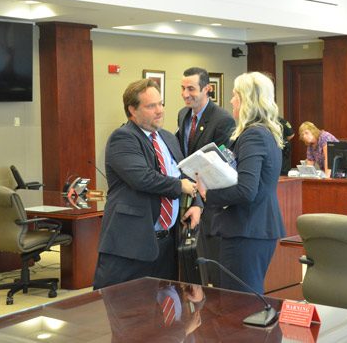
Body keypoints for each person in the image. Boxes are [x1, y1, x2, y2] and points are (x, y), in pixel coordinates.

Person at [93, 79, 201, 289]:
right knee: (126, 311)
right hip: (130, 245)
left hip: (167, 244)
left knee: (163, 312)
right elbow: (142, 178)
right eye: (151, 106)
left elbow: (189, 176)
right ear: (132, 110)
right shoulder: (123, 138)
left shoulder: (169, 138)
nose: (159, 111)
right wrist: (180, 187)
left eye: (161, 104)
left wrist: (197, 204)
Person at [196, 72, 286, 294]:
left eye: (235, 95)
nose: (231, 101)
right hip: (256, 227)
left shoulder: (252, 135)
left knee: (239, 303)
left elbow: (246, 190)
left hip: (247, 229)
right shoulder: (267, 133)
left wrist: (209, 194)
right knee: (247, 299)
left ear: (247, 100)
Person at [176, 67, 235, 286]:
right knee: (192, 270)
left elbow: (218, 172)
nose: (185, 94)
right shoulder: (183, 114)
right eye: (182, 88)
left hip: (211, 205)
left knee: (213, 271)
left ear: (207, 89)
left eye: (191, 89)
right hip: (186, 198)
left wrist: (200, 202)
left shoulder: (223, 120)